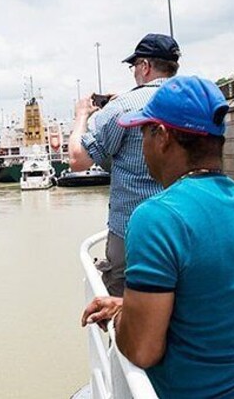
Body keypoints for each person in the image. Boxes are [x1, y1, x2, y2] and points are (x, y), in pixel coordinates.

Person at [81, 75, 234, 398]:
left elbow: (142, 350)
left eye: (143, 131)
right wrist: (131, 307)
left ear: (163, 136)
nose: (142, 143)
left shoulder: (156, 218)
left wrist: (121, 320)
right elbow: (214, 301)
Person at [68, 33, 179, 296]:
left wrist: (81, 117)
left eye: (134, 67)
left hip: (131, 232)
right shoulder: (193, 102)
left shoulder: (123, 108)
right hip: (184, 225)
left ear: (145, 66)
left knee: (122, 302)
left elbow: (77, 160)